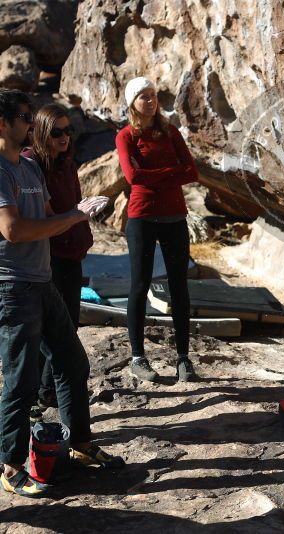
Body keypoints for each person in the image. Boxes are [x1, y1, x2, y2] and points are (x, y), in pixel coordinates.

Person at [0, 89, 124, 498]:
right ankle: (11, 465)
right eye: (23, 116)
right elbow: (13, 230)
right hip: (12, 286)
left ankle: (80, 444)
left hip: (42, 279)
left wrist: (83, 210)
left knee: (72, 363)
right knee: (21, 380)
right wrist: (73, 216)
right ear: (3, 124)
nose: (30, 123)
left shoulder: (31, 170)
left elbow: (52, 220)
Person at [115, 77, 198, 383]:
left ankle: (184, 358)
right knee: (140, 285)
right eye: (143, 96)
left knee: (179, 286)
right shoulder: (126, 136)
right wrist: (171, 174)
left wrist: (156, 176)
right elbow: (133, 176)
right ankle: (138, 357)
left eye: (153, 95)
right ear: (132, 103)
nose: (150, 100)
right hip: (142, 217)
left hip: (175, 216)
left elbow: (192, 171)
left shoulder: (170, 131)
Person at [22, 104, 93, 424]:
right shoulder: (31, 165)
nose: (65, 137)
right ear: (41, 132)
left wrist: (83, 234)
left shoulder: (68, 163)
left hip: (71, 253)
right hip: (47, 257)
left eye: (68, 131)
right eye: (57, 132)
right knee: (48, 333)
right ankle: (40, 393)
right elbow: (46, 217)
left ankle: (49, 390)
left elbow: (75, 204)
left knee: (70, 325)